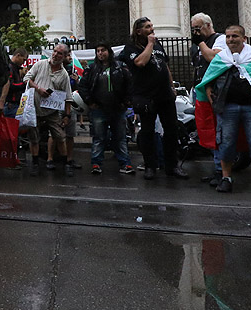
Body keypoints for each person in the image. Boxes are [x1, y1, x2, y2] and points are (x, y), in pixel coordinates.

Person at [195, 26, 251, 196]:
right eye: (228, 37)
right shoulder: (220, 58)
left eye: (234, 36)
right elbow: (208, 81)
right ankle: (226, 178)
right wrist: (211, 97)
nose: (230, 40)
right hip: (227, 108)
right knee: (226, 144)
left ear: (244, 38)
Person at [119, 18, 187, 180]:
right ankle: (150, 165)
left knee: (171, 130)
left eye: (152, 26)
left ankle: (172, 166)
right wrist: (149, 44)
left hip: (165, 95)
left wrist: (172, 87)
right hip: (146, 97)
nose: (152, 29)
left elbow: (165, 66)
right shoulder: (130, 48)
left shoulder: (158, 46)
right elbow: (140, 62)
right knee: (148, 132)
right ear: (138, 31)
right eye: (147, 27)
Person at [79, 42, 134, 175]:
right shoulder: (92, 69)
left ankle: (125, 163)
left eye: (103, 50)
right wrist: (89, 101)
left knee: (120, 137)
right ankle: (96, 163)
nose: (100, 53)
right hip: (99, 109)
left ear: (109, 52)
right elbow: (83, 87)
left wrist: (126, 102)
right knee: (99, 137)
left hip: (117, 108)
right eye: (98, 51)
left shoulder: (120, 67)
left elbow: (130, 85)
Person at [23, 44, 75, 175]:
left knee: (60, 137)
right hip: (34, 109)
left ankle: (65, 164)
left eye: (59, 53)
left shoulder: (64, 75)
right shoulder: (40, 64)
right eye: (55, 51)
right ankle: (35, 164)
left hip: (52, 112)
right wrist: (38, 88)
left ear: (63, 57)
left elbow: (68, 97)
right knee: (34, 138)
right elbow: (26, 78)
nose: (55, 55)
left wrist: (67, 116)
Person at [190, 12, 224, 183]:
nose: (195, 32)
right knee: (208, 129)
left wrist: (201, 43)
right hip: (202, 91)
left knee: (218, 130)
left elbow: (213, 58)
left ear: (208, 25)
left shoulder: (220, 39)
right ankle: (218, 167)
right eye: (193, 29)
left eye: (198, 28)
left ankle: (222, 170)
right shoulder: (197, 45)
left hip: (216, 92)